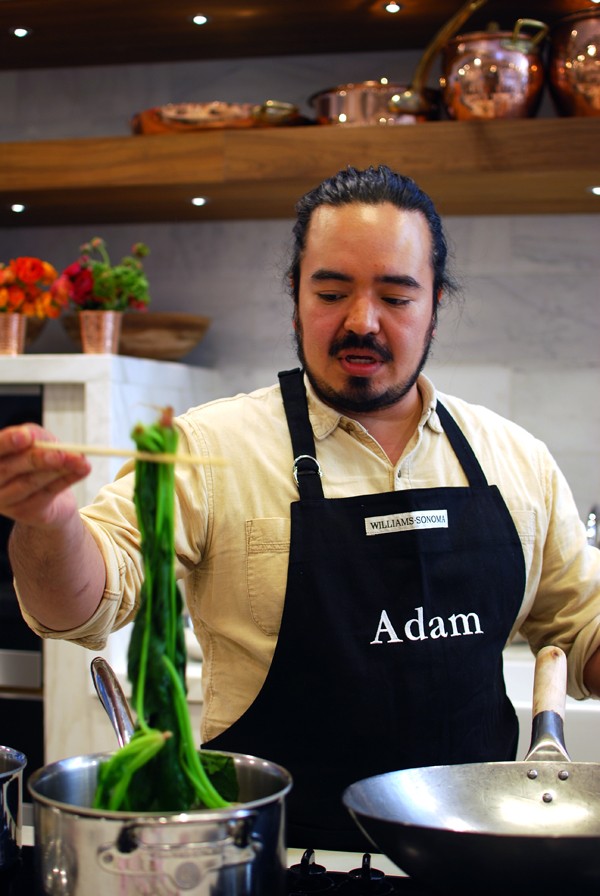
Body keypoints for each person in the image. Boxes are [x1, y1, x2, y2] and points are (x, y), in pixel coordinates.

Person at [2, 165, 600, 851]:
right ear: (295, 296)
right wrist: (45, 521)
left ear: (437, 302)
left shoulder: (513, 458)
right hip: (271, 858)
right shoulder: (208, 447)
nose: (361, 322)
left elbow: (582, 626)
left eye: (397, 297)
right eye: (332, 291)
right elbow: (79, 606)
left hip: (471, 858)